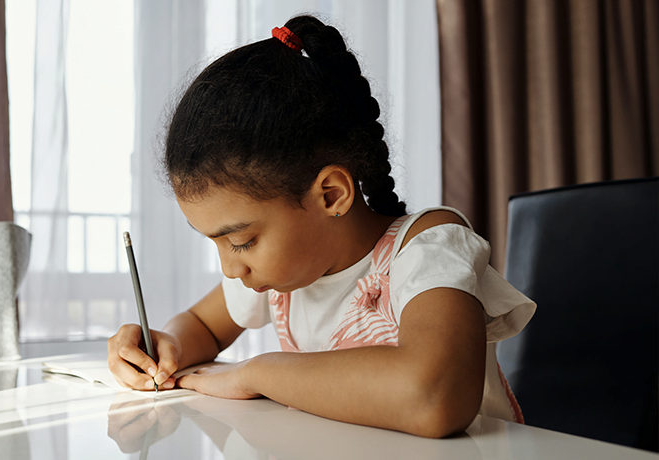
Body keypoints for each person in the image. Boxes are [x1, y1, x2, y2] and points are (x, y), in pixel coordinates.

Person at [108, 15, 536, 438]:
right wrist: (164, 348)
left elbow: (433, 397)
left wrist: (256, 373)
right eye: (217, 243)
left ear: (331, 194)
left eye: (241, 241)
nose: (230, 268)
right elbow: (201, 326)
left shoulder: (428, 249)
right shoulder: (281, 273)